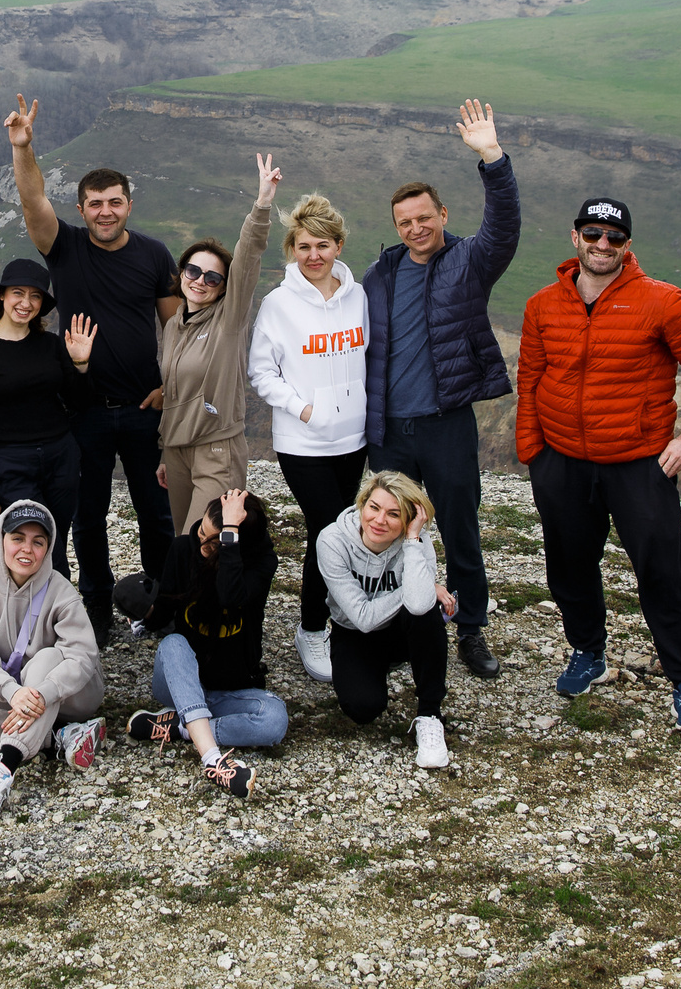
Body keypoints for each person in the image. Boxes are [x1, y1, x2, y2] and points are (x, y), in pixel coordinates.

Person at [516, 197, 681, 734]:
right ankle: (587, 652)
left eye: (614, 237)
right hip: (562, 461)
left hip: (639, 464)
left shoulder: (661, 301)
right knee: (569, 567)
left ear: (627, 246)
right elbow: (531, 378)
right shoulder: (543, 305)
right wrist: (534, 454)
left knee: (662, 573)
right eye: (593, 234)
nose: (602, 245)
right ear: (575, 238)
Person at [5, 93, 181, 638]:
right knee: (88, 516)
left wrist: (171, 389)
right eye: (95, 204)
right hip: (83, 409)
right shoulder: (65, 248)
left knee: (157, 513)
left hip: (146, 408)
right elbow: (33, 200)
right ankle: (97, 608)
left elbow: (179, 332)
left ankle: (160, 604)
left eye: (115, 202)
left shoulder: (154, 255)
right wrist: (23, 148)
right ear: (81, 210)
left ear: (129, 205)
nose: (106, 211)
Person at [362, 98, 521, 682]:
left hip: (446, 424)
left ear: (442, 214)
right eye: (405, 222)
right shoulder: (379, 274)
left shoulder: (467, 261)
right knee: (384, 532)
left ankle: (471, 629)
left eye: (424, 217)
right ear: (396, 227)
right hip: (389, 431)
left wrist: (492, 158)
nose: (416, 228)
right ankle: (391, 627)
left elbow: (504, 228)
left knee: (459, 530)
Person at [248, 192, 369, 684]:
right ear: (291, 250)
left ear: (339, 246)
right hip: (303, 443)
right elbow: (261, 372)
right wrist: (305, 409)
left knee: (345, 529)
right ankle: (312, 628)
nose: (313, 255)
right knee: (329, 532)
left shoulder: (357, 297)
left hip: (353, 439)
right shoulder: (278, 304)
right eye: (303, 246)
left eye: (322, 245)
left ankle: (343, 619)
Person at [123, 487, 287, 797]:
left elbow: (230, 595)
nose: (201, 548)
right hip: (180, 682)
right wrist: (143, 608)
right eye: (201, 533)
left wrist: (229, 536)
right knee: (173, 644)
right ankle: (213, 760)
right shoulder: (183, 549)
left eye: (214, 543)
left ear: (236, 544)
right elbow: (165, 611)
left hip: (231, 687)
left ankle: (183, 727)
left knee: (274, 719)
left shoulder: (260, 565)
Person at [0, 500, 107, 821]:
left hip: (72, 694)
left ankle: (3, 769)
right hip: (19, 694)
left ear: (48, 549)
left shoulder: (59, 588)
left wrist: (42, 693)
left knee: (46, 658)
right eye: (17, 538)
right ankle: (61, 736)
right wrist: (12, 692)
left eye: (38, 542)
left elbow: (82, 655)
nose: (27, 549)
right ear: (0, 540)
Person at [154, 153, 280, 532]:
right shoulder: (174, 326)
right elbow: (174, 394)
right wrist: (165, 452)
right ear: (182, 273)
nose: (200, 281)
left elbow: (247, 260)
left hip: (217, 450)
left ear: (224, 288)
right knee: (183, 543)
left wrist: (262, 204)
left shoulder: (229, 321)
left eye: (212, 278)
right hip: (177, 451)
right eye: (193, 270)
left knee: (204, 542)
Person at [0, 257, 98, 582]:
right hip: (11, 464)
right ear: (2, 296)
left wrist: (81, 363)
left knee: (55, 539)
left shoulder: (50, 345)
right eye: (18, 293)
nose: (26, 303)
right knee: (35, 545)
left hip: (61, 457)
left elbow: (79, 402)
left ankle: (51, 608)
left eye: (35, 296)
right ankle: (51, 609)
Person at [316, 470, 454, 767]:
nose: (379, 520)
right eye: (374, 507)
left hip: (401, 628)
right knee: (362, 708)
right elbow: (363, 618)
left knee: (426, 611)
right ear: (362, 504)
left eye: (394, 514)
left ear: (408, 520)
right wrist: (421, 586)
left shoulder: (418, 541)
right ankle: (374, 666)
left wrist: (413, 541)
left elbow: (418, 605)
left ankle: (430, 715)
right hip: (353, 631)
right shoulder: (332, 540)